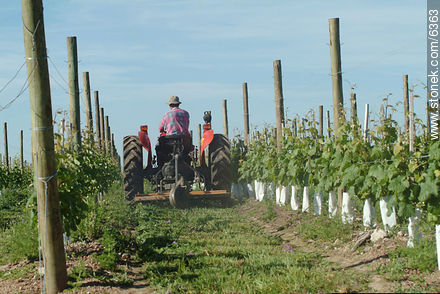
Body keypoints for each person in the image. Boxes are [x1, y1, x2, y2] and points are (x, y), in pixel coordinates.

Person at [156, 96, 191, 167]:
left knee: (158, 147)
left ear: (170, 105)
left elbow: (160, 129)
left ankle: (160, 167)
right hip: (184, 142)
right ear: (178, 104)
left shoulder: (167, 114)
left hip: (170, 142)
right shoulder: (186, 113)